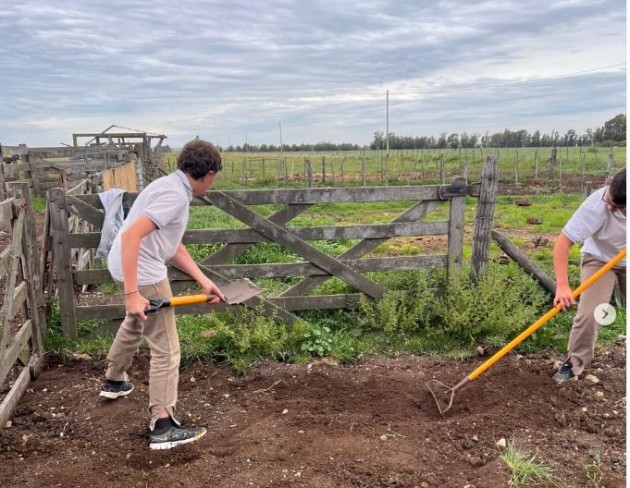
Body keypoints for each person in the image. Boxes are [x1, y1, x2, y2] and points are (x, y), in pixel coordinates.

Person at [100, 139, 226, 449]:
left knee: (138, 317)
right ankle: (163, 424)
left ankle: (114, 380)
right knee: (167, 348)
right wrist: (132, 292)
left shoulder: (168, 185)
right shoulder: (175, 197)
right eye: (216, 176)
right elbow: (132, 235)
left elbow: (172, 245)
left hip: (123, 264)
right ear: (208, 173)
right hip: (142, 273)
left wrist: (203, 280)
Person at [552, 167, 626, 382]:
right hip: (600, 258)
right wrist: (563, 285)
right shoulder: (596, 205)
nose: (609, 206)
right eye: (609, 200)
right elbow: (562, 242)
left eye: (616, 206)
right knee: (590, 314)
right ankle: (574, 362)